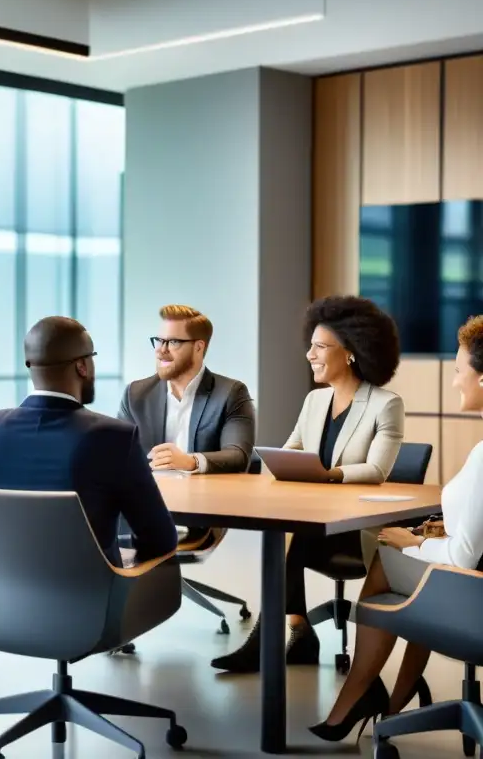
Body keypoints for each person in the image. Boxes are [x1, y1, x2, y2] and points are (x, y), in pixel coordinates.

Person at [311, 315, 483, 741]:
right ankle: (388, 705)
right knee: (404, 568)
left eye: (460, 371)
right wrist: (442, 529)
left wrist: (413, 541)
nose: (455, 381)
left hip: (472, 598)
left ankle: (356, 701)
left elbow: (463, 556)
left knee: (388, 564)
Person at [212, 295, 404, 674]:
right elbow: (289, 451)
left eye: (319, 346)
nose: (309, 355)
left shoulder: (385, 404)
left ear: (350, 352)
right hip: (309, 524)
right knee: (285, 532)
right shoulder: (315, 400)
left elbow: (376, 470)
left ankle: (270, 640)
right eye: (310, 345)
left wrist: (327, 474)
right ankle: (298, 633)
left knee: (286, 535)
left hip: (354, 528)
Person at [0, 316, 178, 567]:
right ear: (82, 366)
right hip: (92, 598)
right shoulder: (114, 437)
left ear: (29, 365)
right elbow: (160, 539)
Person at [118, 304, 255, 545]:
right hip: (142, 513)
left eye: (173, 342)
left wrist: (189, 461)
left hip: (200, 515)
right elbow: (117, 454)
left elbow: (238, 455)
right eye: (158, 341)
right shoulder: (136, 394)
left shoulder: (230, 393)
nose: (161, 351)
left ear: (199, 347)